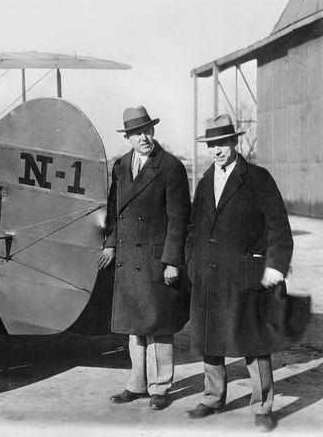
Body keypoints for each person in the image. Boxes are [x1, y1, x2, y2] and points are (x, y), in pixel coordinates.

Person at [184, 114, 294, 432]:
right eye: (211, 145)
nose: (217, 150)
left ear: (235, 142)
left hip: (246, 275)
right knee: (210, 338)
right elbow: (193, 227)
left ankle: (262, 406)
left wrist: (275, 266)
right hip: (209, 275)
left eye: (222, 143)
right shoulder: (205, 181)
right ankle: (212, 397)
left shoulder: (258, 178)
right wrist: (192, 262)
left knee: (253, 341)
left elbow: (279, 228)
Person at [98, 105, 191, 411]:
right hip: (128, 257)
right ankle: (137, 384)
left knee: (159, 327)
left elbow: (179, 220)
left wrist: (173, 261)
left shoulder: (171, 167)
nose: (144, 138)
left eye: (147, 130)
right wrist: (110, 243)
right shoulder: (120, 166)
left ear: (153, 130)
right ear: (128, 137)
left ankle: (160, 387)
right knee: (134, 327)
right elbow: (114, 210)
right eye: (137, 133)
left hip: (156, 260)